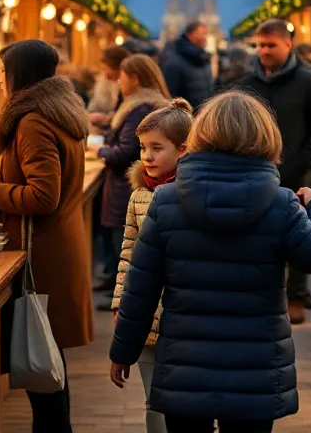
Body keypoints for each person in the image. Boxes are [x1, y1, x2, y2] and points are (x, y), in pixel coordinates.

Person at [109, 91, 311, 432]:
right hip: (255, 370)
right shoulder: (280, 205)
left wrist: (123, 351)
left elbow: (140, 287)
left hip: (184, 367)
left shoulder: (167, 201)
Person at [0, 40, 91, 433]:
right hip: (55, 246)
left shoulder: (32, 121)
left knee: (40, 357)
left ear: (19, 74)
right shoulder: (56, 112)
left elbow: (42, 196)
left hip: (40, 253)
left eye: (2, 71)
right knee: (47, 357)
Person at [238, 18, 311, 323]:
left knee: (298, 234)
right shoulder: (248, 83)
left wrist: (301, 161)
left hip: (296, 173)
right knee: (256, 235)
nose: (264, 51)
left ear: (287, 44)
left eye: (270, 45)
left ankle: (296, 295)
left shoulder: (307, 80)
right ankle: (260, 294)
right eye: (260, 45)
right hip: (253, 174)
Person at [111, 99, 194, 433]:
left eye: (157, 148)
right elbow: (128, 252)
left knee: (184, 402)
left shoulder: (190, 195)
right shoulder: (139, 195)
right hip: (145, 316)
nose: (146, 156)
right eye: (143, 147)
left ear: (183, 149)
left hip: (181, 318)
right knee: (154, 400)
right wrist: (120, 301)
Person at [94, 55, 171, 298]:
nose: (119, 82)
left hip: (125, 185)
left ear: (135, 78)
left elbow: (127, 151)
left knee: (128, 246)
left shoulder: (141, 107)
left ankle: (125, 296)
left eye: (122, 78)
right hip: (129, 184)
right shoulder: (145, 104)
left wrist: (99, 150)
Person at [161, 20, 215, 108]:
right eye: (203, 34)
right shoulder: (175, 58)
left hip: (203, 115)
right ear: (191, 35)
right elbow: (169, 95)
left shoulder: (203, 58)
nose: (205, 38)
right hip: (185, 117)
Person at [89, 45, 133, 131]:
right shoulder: (104, 83)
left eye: (106, 69)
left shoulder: (128, 91)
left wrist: (106, 119)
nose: (105, 74)